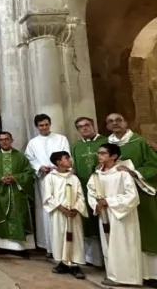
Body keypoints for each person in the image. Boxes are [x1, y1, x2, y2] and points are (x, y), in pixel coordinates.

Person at [106, 112, 157, 283]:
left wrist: (133, 173)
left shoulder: (139, 142)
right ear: (107, 126)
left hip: (141, 192)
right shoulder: (107, 144)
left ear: (126, 122)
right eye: (111, 121)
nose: (115, 123)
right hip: (118, 197)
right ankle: (128, 272)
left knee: (147, 231)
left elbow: (153, 164)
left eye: (118, 120)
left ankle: (151, 273)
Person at [87, 143, 144, 287]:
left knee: (124, 245)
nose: (99, 156)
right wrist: (96, 204)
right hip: (104, 214)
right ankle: (113, 274)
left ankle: (128, 277)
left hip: (122, 216)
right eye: (98, 153)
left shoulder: (122, 173)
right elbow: (91, 191)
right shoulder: (97, 174)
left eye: (103, 153)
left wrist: (109, 201)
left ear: (113, 156)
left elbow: (132, 197)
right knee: (109, 245)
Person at [24, 113, 70, 254]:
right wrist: (40, 167)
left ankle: (63, 244)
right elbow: (29, 159)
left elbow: (66, 155)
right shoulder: (33, 142)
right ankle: (48, 245)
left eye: (46, 125)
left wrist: (58, 167)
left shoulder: (61, 139)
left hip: (60, 178)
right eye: (41, 125)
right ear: (37, 127)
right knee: (45, 210)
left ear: (50, 124)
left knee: (61, 207)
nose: (44, 127)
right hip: (43, 179)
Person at [0, 131, 35, 255]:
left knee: (19, 216)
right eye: (1, 140)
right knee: (2, 218)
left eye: (7, 139)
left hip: (17, 192)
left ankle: (19, 247)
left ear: (11, 140)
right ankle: (1, 246)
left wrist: (15, 178)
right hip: (0, 193)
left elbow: (28, 173)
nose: (4, 142)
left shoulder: (20, 156)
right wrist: (0, 178)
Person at [43, 151, 87, 279]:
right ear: (58, 162)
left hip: (73, 214)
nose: (70, 160)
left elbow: (80, 196)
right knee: (60, 237)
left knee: (75, 238)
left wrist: (76, 209)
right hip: (59, 213)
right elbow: (48, 197)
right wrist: (62, 208)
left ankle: (74, 264)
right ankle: (63, 262)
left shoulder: (74, 178)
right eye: (67, 158)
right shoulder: (50, 178)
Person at [70, 116, 106, 267]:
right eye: (80, 127)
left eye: (87, 125)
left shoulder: (105, 142)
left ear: (93, 126)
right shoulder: (76, 146)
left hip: (104, 187)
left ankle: (108, 259)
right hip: (84, 187)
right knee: (88, 222)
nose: (84, 128)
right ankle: (93, 258)